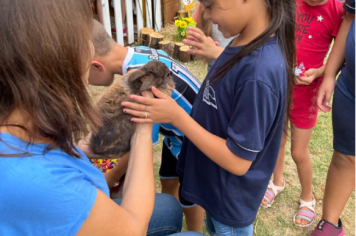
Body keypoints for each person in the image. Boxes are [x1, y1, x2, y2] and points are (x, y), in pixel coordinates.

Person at [0, 1, 204, 236]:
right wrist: (142, 132)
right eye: (81, 38)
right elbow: (132, 228)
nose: (88, 46)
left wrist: (76, 151)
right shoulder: (50, 187)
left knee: (169, 206)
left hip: (186, 140)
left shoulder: (20, 133)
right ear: (57, 61)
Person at [122, 0, 296, 235]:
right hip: (216, 189)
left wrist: (177, 117)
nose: (204, 14)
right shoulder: (246, 42)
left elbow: (238, 161)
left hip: (229, 200)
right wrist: (217, 53)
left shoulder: (259, 74)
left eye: (210, 5)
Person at [82, 19, 205, 232]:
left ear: (96, 66)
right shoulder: (138, 53)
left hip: (193, 138)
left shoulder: (143, 85)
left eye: (84, 75)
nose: (87, 82)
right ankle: (170, 215)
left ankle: (195, 230)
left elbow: (144, 141)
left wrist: (110, 177)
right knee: (168, 176)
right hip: (175, 132)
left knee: (190, 194)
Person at [260, 0, 344, 227]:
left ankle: (308, 198)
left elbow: (341, 53)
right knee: (276, 138)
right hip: (279, 82)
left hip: (308, 91)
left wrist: (319, 72)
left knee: (298, 152)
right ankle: (277, 182)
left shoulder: (338, 9)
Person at [309, 0, 355, 235]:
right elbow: (349, 19)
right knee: (345, 156)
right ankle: (330, 223)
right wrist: (330, 74)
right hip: (351, 89)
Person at [190, 3, 235, 71]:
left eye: (210, 6)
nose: (206, 16)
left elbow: (250, 62)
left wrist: (218, 53)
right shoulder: (204, 6)